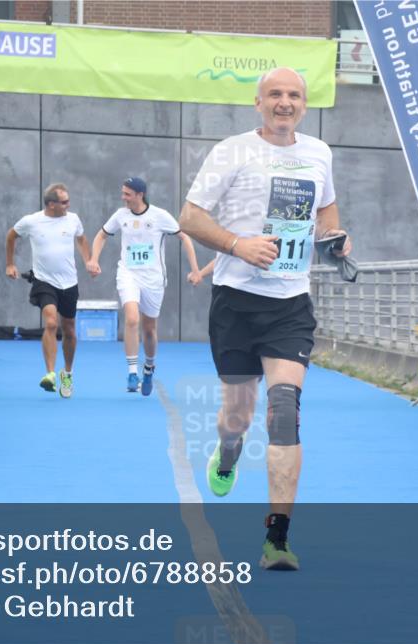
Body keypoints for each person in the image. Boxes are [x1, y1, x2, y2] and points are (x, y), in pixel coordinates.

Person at [179, 67, 352, 571]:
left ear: (305, 103)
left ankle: (277, 537)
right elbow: (190, 217)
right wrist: (237, 244)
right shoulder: (232, 150)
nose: (284, 102)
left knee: (283, 410)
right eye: (274, 94)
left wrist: (335, 238)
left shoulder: (319, 153)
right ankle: (228, 450)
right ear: (258, 103)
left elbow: (328, 212)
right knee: (238, 414)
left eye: (293, 95)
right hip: (236, 300)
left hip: (290, 304)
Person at [87, 176, 200, 395]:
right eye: (123, 193)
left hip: (154, 278)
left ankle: (149, 366)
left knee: (149, 329)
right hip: (128, 273)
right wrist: (93, 259)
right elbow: (101, 235)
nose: (123, 198)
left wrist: (195, 270)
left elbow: (184, 238)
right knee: (131, 318)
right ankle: (131, 372)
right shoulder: (120, 216)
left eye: (127, 194)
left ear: (140, 195)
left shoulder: (160, 216)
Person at [5, 183, 94, 398]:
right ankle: (50, 374)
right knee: (51, 322)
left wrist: (89, 261)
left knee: (70, 330)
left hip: (69, 283)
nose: (68, 204)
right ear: (51, 204)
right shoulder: (32, 221)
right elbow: (11, 236)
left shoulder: (73, 219)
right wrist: (10, 264)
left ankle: (68, 373)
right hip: (44, 281)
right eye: (64, 202)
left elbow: (81, 239)